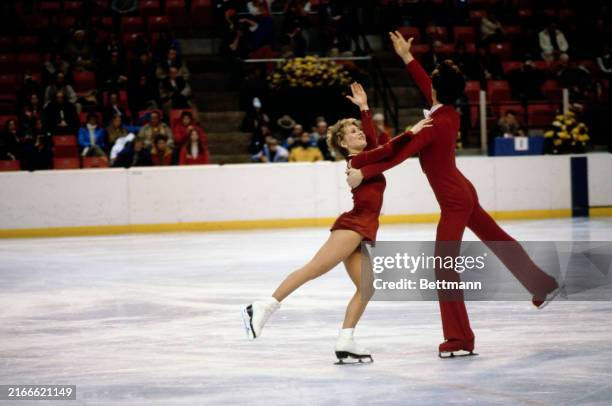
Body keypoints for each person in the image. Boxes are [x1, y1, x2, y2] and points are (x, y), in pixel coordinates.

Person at [346, 32, 562, 357]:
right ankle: (541, 285)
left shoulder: (434, 124)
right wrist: (407, 57)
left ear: (436, 90)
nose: (427, 86)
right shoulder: (448, 112)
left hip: (454, 200)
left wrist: (362, 168)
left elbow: (399, 153)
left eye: (431, 83)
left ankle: (460, 339)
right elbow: (429, 89)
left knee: (444, 265)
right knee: (497, 239)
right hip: (462, 190)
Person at [242, 82, 432, 363]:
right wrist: (412, 131)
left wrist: (365, 109)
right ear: (343, 143)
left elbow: (378, 146)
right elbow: (386, 150)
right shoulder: (358, 162)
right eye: (352, 132)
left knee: (367, 287)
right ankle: (264, 306)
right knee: (314, 269)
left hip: (363, 230)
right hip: (353, 227)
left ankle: (346, 339)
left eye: (358, 130)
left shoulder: (367, 159)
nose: (359, 133)